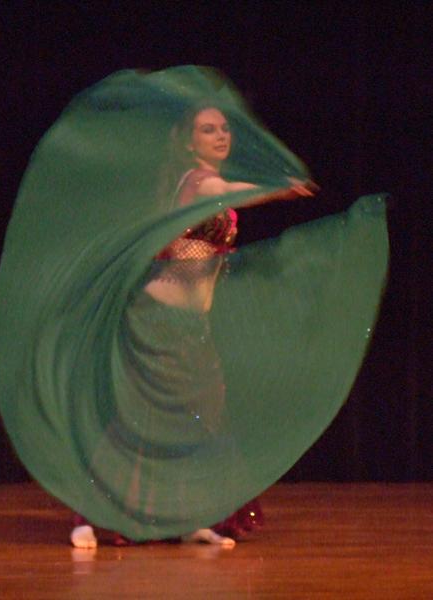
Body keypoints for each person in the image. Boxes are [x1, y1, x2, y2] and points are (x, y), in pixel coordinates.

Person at [70, 103, 315, 549]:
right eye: (208, 130)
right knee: (138, 420)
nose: (221, 136)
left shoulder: (206, 187)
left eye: (224, 129)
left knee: (201, 418)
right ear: (188, 142)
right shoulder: (197, 182)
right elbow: (228, 189)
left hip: (191, 324)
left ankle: (188, 518)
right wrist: (275, 191)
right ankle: (90, 518)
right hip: (155, 321)